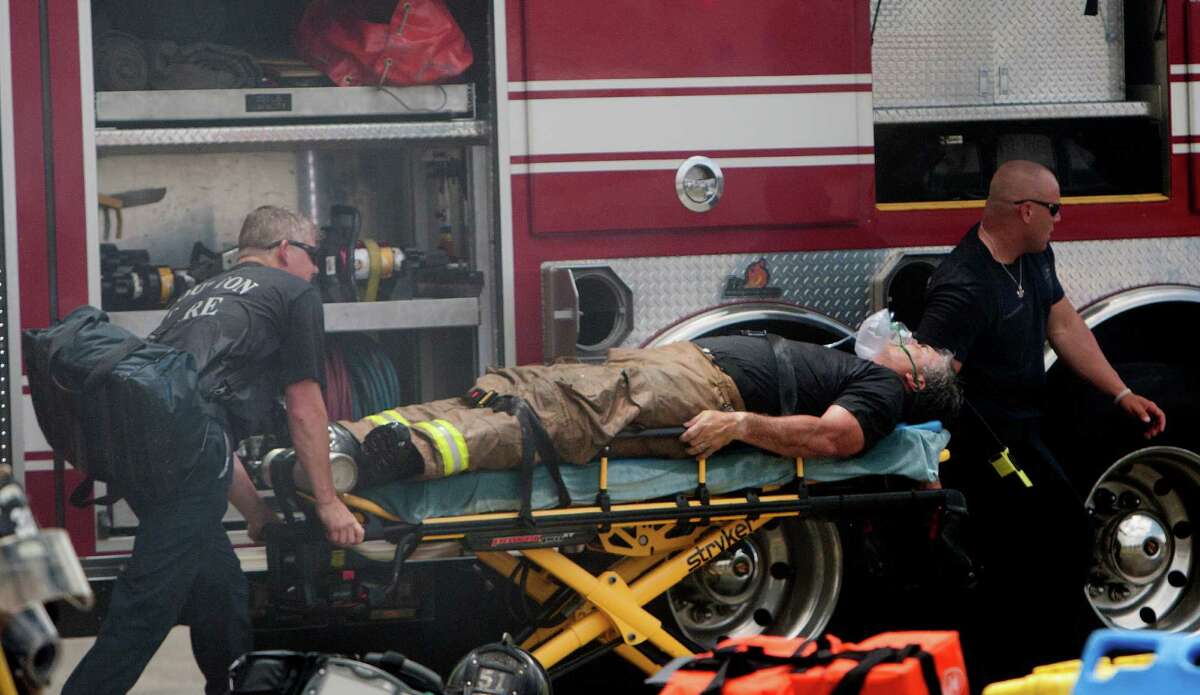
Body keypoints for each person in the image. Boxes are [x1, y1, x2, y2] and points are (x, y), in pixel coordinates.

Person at [62, 206, 364, 695]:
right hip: (184, 461)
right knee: (148, 606)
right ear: (285, 250)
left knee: (220, 593)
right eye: (313, 255)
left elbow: (204, 422)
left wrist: (256, 513)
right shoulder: (293, 293)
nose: (317, 268)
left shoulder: (198, 295)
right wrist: (330, 504)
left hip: (148, 453)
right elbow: (305, 406)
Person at [914, 160, 1166, 683]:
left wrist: (1120, 392)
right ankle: (1004, 674)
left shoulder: (1034, 256)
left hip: (1025, 428)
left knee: (1065, 537)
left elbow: (1065, 324)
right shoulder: (964, 286)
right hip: (980, 446)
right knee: (1017, 557)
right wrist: (929, 468)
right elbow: (928, 383)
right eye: (1054, 209)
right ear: (1025, 211)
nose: (1060, 218)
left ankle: (1047, 665)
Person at [322, 332, 961, 488]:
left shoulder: (882, 392)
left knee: (547, 422)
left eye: (920, 346)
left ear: (915, 375)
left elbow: (832, 440)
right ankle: (356, 435)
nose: (906, 336)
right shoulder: (869, 369)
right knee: (515, 394)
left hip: (704, 394)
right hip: (681, 368)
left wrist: (739, 424)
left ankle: (394, 457)